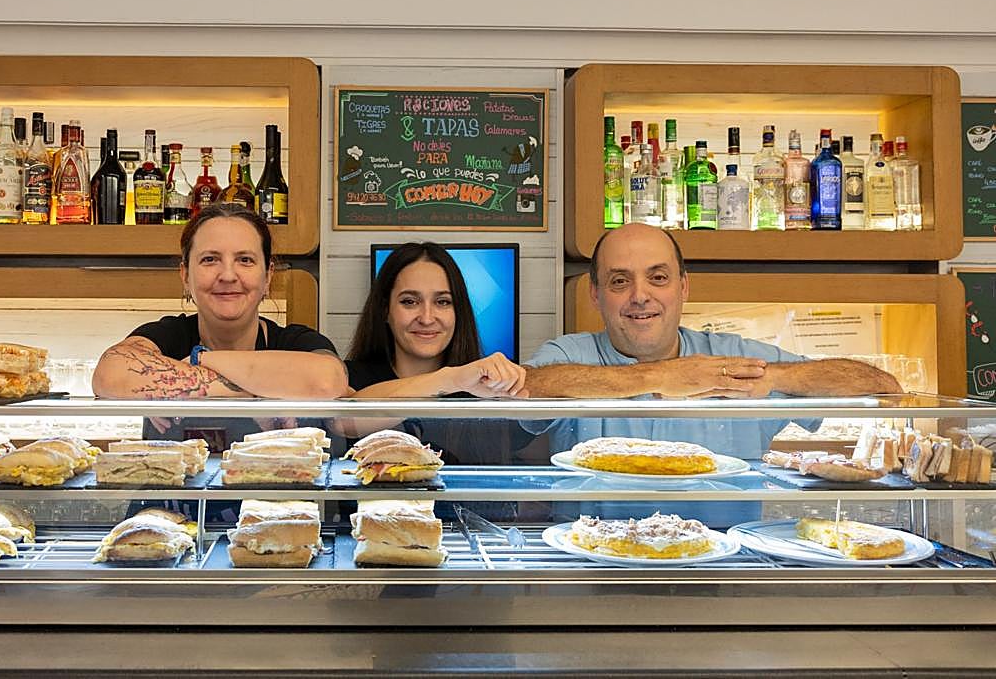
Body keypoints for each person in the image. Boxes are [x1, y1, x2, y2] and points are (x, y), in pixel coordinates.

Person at [523, 222, 901, 525]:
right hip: (590, 561)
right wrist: (661, 376)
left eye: (658, 278)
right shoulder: (568, 354)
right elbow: (528, 386)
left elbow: (884, 389)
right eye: (620, 281)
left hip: (727, 569)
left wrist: (772, 378)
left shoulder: (736, 357)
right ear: (595, 294)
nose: (640, 296)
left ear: (684, 287)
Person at [92, 204, 347, 444]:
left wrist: (198, 361)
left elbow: (328, 380)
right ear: (185, 275)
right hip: (177, 487)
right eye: (210, 260)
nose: (227, 275)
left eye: (245, 260)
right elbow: (110, 374)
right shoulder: (167, 335)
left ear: (268, 276)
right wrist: (260, 391)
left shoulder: (295, 341)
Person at [340, 241, 530, 464]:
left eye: (442, 302)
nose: (427, 318)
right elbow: (345, 419)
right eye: (409, 302)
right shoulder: (351, 379)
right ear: (385, 309)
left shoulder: (485, 389)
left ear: (458, 311)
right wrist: (451, 379)